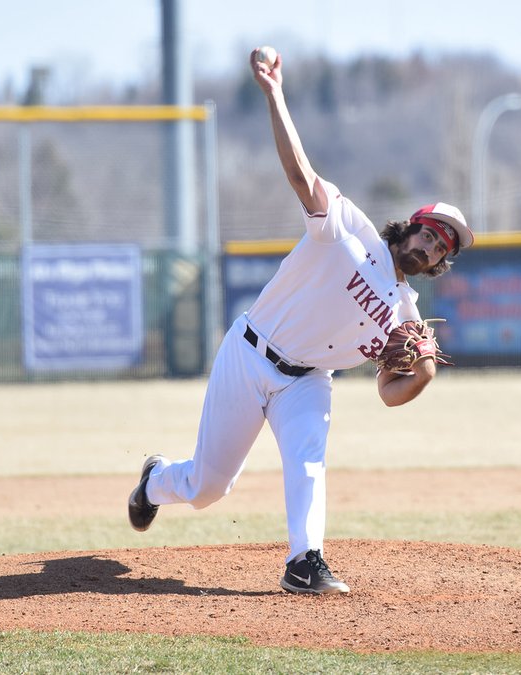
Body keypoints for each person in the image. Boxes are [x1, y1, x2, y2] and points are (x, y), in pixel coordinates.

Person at [127, 47, 474, 595]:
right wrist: (275, 94)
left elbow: (388, 393)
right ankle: (154, 482)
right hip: (250, 352)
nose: (430, 246)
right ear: (409, 229)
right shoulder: (350, 230)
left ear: (437, 266)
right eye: (428, 233)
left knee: (309, 460)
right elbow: (298, 172)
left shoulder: (406, 314)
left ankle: (304, 561)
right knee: (208, 487)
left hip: (308, 381)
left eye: (439, 248)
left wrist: (423, 376)